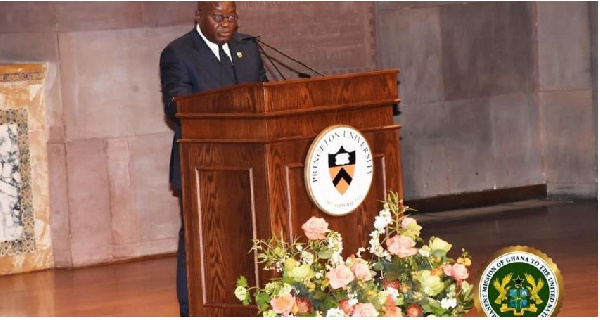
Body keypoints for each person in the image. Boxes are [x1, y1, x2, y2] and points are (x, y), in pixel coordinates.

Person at [159, 1, 267, 316]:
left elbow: (263, 95)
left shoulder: (247, 48)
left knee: (251, 234)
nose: (226, 24)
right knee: (199, 238)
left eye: (231, 17)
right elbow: (175, 107)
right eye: (219, 17)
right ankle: (191, 308)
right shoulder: (178, 52)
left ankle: (249, 303)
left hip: (251, 163)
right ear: (199, 16)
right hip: (202, 165)